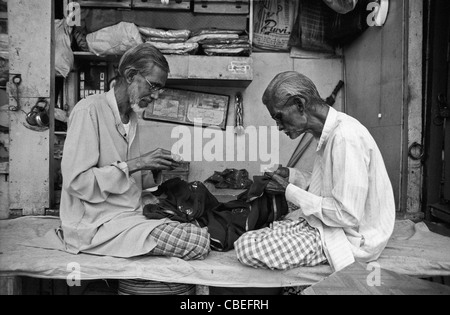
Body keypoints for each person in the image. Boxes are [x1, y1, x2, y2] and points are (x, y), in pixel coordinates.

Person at [59, 43, 210, 261]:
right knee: (198, 241)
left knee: (200, 220)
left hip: (128, 215)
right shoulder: (89, 110)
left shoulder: (131, 117)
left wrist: (155, 168)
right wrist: (139, 163)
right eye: (153, 86)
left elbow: (125, 177)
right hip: (97, 225)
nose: (156, 96)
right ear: (130, 75)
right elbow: (77, 183)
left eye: (160, 89)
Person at [235, 71, 396, 273]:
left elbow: (345, 214)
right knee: (253, 235)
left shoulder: (345, 137)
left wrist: (289, 190)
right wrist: (291, 175)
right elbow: (329, 188)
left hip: (350, 238)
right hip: (329, 226)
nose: (278, 126)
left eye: (279, 117)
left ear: (300, 104)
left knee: (247, 247)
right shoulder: (329, 135)